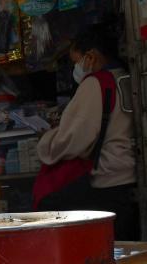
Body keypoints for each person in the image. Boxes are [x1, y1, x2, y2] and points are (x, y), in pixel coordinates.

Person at [36, 24, 138, 239]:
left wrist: (45, 143)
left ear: (90, 57)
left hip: (105, 184)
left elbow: (72, 139)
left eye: (76, 62)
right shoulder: (125, 77)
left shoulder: (95, 83)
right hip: (128, 181)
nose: (77, 68)